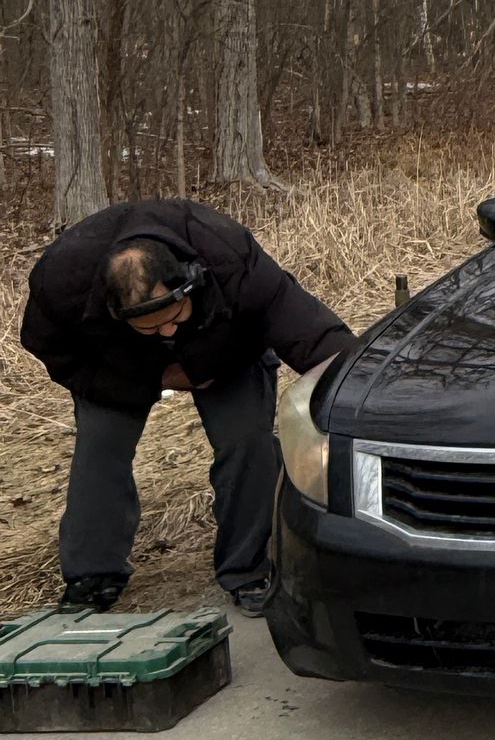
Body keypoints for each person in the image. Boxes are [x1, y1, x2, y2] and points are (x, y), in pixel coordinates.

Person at [20, 198, 353, 616]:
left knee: (246, 441)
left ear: (190, 283)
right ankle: (92, 575)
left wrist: (357, 385)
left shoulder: (228, 255)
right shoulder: (62, 280)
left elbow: (307, 331)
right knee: (99, 451)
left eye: (174, 316)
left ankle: (249, 568)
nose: (166, 331)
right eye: (151, 327)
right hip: (121, 366)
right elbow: (54, 352)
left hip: (226, 351)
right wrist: (154, 378)